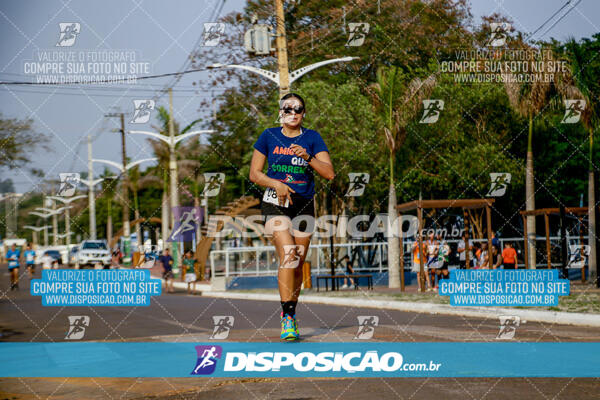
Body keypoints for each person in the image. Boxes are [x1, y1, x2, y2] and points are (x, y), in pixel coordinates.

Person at [249, 93, 334, 341]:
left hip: (304, 204)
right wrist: (277, 184)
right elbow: (255, 174)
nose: (293, 113)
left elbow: (329, 173)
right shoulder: (268, 136)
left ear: (303, 113)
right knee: (288, 253)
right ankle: (286, 318)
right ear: (281, 113)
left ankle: (292, 314)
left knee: (296, 261)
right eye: (288, 109)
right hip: (276, 202)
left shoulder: (312, 138)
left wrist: (308, 157)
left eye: (298, 109)